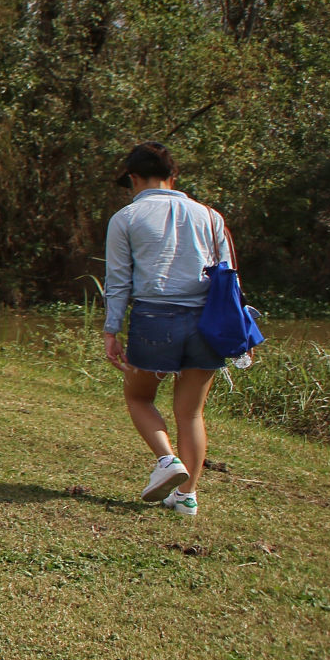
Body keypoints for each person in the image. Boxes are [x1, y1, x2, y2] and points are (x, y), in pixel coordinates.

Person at [101, 142, 234, 518]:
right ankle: (187, 496)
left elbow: (118, 281)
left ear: (133, 177)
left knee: (139, 398)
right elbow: (227, 277)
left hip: (155, 318)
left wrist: (112, 330)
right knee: (190, 413)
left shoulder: (126, 218)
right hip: (206, 322)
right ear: (173, 176)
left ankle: (167, 461)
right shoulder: (210, 216)